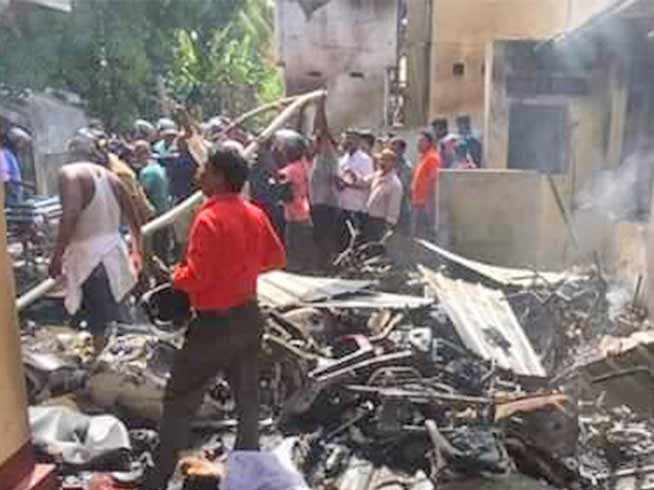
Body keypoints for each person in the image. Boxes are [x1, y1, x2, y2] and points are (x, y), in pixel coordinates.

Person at [143, 145, 286, 490]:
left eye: (205, 168)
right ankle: (245, 476)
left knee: (180, 400)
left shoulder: (208, 218)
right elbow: (276, 259)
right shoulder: (254, 213)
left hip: (213, 326)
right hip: (249, 318)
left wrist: (176, 277)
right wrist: (241, 269)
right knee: (248, 401)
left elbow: (196, 278)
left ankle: (157, 479)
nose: (199, 173)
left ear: (219, 176)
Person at [49, 135, 144, 354]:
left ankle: (106, 370)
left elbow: (70, 214)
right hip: (116, 255)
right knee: (119, 318)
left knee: (99, 323)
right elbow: (135, 221)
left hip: (91, 259)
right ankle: (124, 362)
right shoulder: (113, 178)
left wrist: (57, 255)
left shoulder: (70, 173)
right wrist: (137, 252)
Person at [277, 131, 314, 272]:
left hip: (293, 213)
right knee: (304, 245)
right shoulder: (305, 165)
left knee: (293, 246)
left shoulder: (288, 171)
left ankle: (294, 270)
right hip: (304, 210)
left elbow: (283, 191)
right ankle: (304, 268)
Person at [309, 94, 340, 269]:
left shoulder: (329, 155)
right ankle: (323, 264)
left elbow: (322, 129)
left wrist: (320, 107)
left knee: (324, 236)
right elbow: (316, 131)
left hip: (326, 203)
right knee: (319, 236)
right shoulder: (316, 157)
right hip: (318, 202)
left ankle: (326, 265)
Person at [355, 148, 403, 242]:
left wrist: (386, 231)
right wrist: (352, 175)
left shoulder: (395, 184)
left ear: (393, 163)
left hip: (379, 223)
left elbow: (393, 211)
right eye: (381, 159)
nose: (382, 162)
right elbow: (363, 182)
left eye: (386, 160)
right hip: (367, 219)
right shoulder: (377, 175)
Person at [337, 129, 374, 247]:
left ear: (358, 141)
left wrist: (350, 183)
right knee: (342, 239)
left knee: (355, 241)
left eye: (351, 139)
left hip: (357, 207)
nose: (348, 141)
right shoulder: (342, 160)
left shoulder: (365, 160)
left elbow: (367, 183)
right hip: (343, 205)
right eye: (346, 138)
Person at [135, 140, 171, 261]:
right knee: (163, 251)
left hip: (155, 216)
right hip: (166, 212)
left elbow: (143, 194)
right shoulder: (160, 168)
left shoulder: (146, 172)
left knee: (155, 252)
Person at [411, 130, 441, 240]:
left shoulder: (432, 158)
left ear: (429, 143)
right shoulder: (423, 157)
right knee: (418, 235)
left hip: (424, 204)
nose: (418, 144)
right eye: (418, 141)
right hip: (418, 202)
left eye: (421, 141)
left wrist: (429, 203)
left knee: (424, 236)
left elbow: (433, 181)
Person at [389, 137, 413, 232]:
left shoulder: (406, 166)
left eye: (395, 150)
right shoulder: (389, 164)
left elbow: (402, 185)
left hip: (401, 208)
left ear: (402, 151)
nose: (393, 152)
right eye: (391, 149)